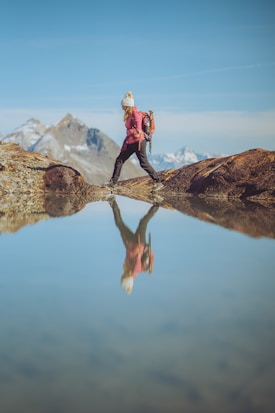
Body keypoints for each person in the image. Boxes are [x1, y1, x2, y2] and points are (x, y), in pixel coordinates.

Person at [106, 91, 164, 191]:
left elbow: (138, 130)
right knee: (119, 160)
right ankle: (113, 183)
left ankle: (158, 181)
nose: (122, 107)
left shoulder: (135, 114)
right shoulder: (129, 114)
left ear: (127, 105)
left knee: (143, 163)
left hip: (139, 142)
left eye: (123, 105)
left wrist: (132, 132)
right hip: (131, 142)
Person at [108, 196, 159, 295]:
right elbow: (138, 254)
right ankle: (157, 205)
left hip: (132, 242)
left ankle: (113, 202)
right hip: (140, 243)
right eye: (123, 277)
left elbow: (128, 252)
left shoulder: (128, 268)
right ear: (127, 278)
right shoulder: (135, 269)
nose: (122, 275)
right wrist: (133, 246)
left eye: (122, 276)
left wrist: (124, 238)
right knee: (143, 222)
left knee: (119, 224)